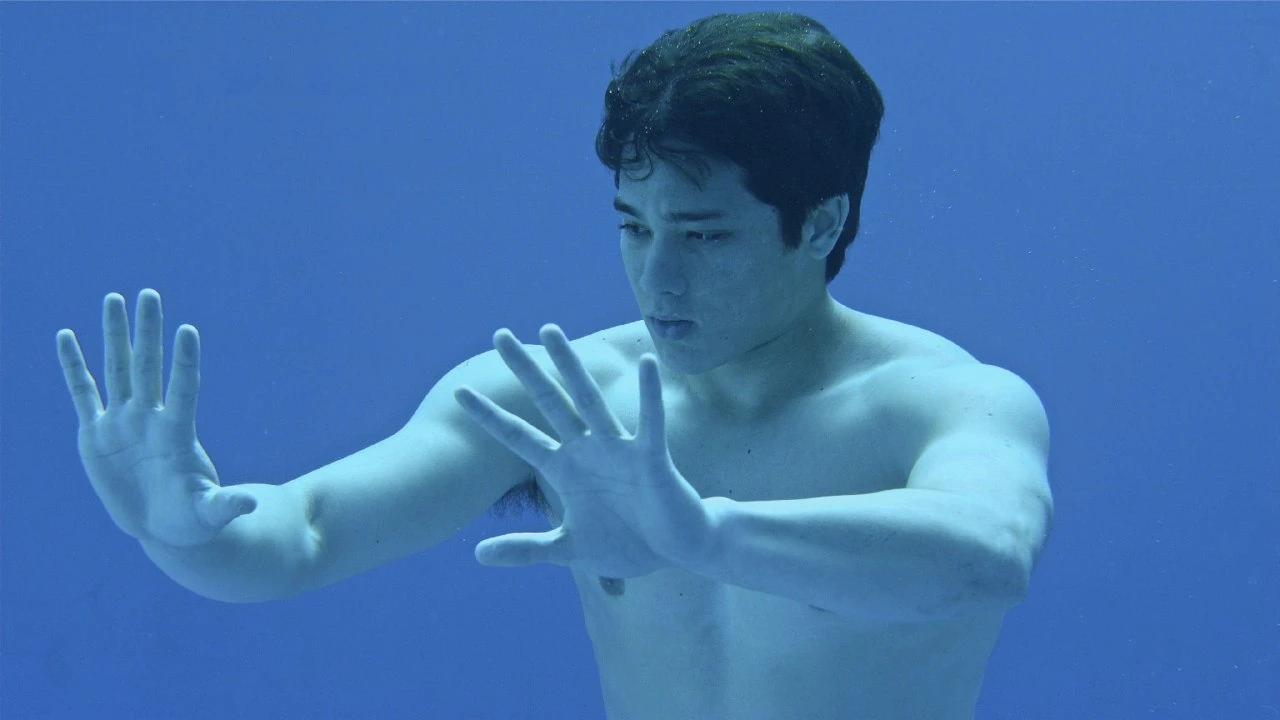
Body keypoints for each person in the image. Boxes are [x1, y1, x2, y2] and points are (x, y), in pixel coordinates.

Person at [56, 11, 1053, 720]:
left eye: (704, 236)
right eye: (633, 226)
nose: (657, 276)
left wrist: (704, 533)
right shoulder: (562, 398)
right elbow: (301, 536)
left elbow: (988, 554)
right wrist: (178, 534)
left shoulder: (945, 404)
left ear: (822, 222)